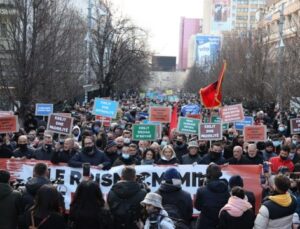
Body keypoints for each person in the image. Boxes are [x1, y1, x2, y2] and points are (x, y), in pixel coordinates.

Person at [195, 163, 230, 229]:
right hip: (220, 223)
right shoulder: (226, 189)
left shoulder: (201, 190)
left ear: (208, 175)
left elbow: (198, 207)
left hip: (205, 224)